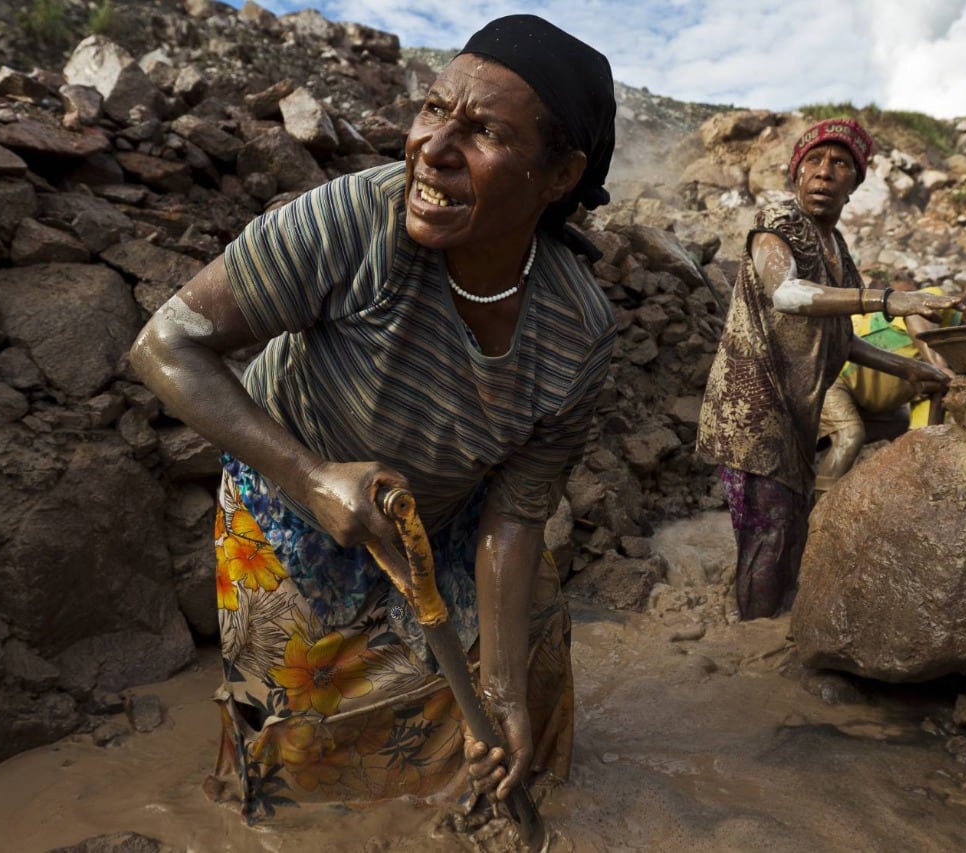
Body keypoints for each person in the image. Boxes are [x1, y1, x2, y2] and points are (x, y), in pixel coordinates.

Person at [129, 14, 617, 820]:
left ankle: (466, 815)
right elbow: (166, 344)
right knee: (294, 732)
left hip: (446, 518)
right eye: (434, 110)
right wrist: (312, 478)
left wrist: (500, 687)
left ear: (559, 175)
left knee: (520, 673)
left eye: (485, 131)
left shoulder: (577, 330)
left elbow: (518, 511)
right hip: (286, 505)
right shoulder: (358, 221)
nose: (433, 148)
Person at [696, 118, 957, 621]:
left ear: (855, 184)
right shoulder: (779, 223)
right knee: (770, 534)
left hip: (796, 411)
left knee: (789, 529)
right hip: (752, 406)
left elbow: (841, 337)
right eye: (813, 160)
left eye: (840, 164)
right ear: (796, 174)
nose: (824, 172)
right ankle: (754, 639)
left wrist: (906, 370)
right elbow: (787, 293)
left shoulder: (838, 251)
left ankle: (775, 623)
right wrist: (886, 299)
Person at [816, 289, 966, 490]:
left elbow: (927, 418)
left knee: (902, 429)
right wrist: (937, 365)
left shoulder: (957, 362)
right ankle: (818, 509)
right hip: (834, 374)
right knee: (849, 436)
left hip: (873, 405)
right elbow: (915, 316)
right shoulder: (939, 302)